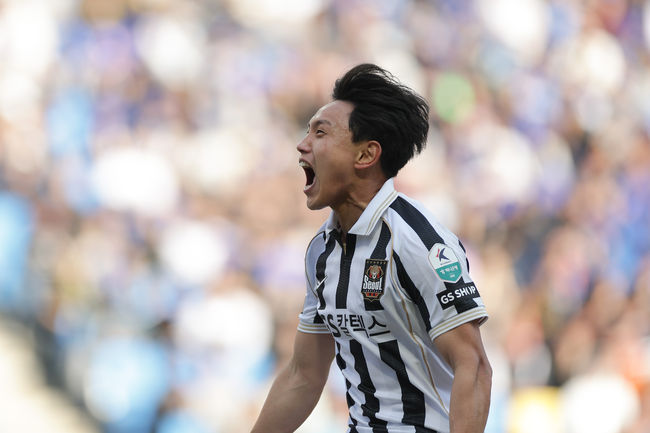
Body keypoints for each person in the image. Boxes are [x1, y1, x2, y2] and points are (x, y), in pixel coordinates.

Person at [251, 64, 491, 433]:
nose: (302, 144)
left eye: (320, 132)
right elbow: (304, 374)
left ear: (366, 155)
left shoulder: (418, 243)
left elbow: (473, 367)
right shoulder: (321, 252)